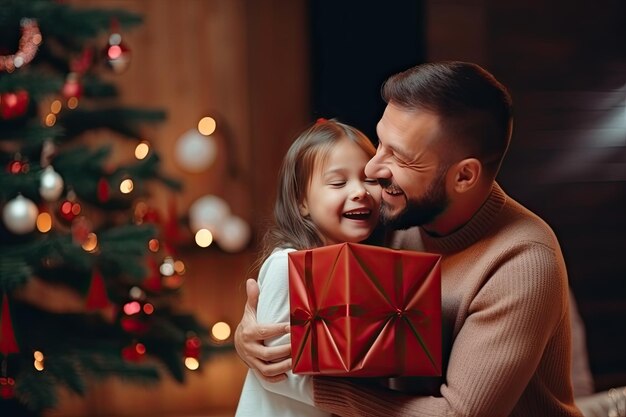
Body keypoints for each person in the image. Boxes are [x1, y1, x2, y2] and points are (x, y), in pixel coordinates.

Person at [235, 61, 584, 416]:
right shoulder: (390, 216)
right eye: (380, 145)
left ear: (463, 176)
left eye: (398, 156)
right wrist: (253, 340)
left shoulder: (523, 261)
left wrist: (304, 383)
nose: (372, 170)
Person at [235, 119, 382, 416]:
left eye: (369, 179)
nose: (360, 192)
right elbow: (274, 370)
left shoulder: (368, 270)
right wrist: (372, 403)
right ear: (302, 201)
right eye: (339, 183)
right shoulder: (285, 265)